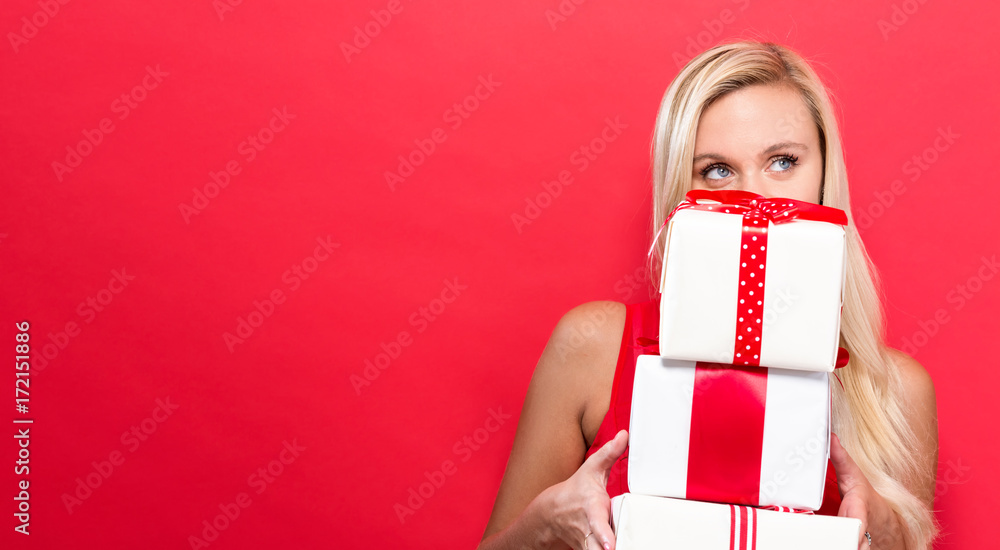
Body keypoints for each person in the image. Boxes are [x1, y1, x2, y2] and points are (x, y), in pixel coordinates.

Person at [476, 41, 938, 550]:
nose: (754, 200)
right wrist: (544, 527)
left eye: (783, 161)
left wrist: (892, 538)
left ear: (826, 176)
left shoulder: (895, 394)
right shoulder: (592, 347)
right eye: (716, 170)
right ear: (681, 190)